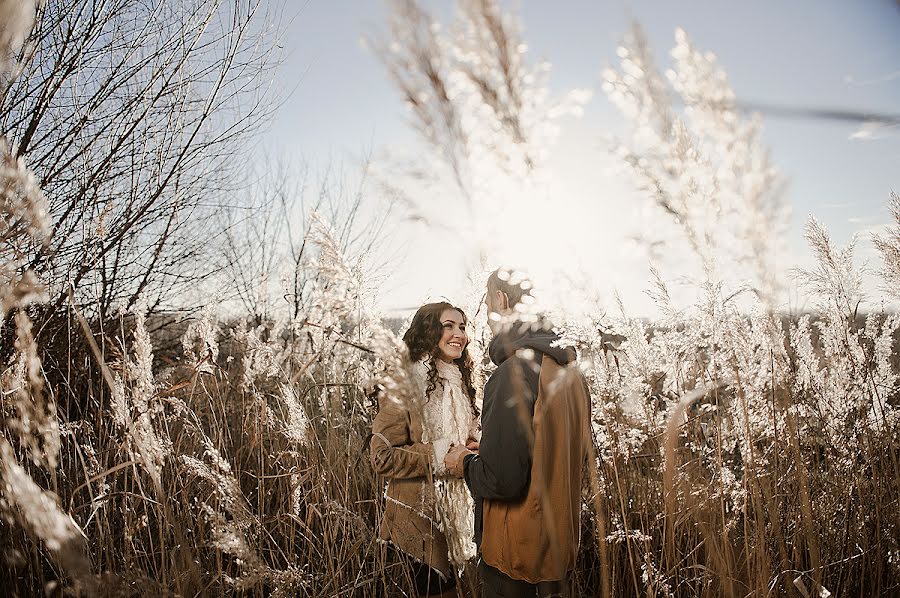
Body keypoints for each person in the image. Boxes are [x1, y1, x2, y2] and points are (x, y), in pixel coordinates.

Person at [444, 269, 591, 598]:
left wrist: (465, 462)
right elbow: (554, 454)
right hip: (559, 556)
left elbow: (503, 481)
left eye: (485, 305)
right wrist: (491, 447)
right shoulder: (572, 375)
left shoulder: (513, 373)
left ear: (501, 300)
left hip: (515, 563)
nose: (485, 318)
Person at [370, 301, 481, 597]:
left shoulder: (462, 380)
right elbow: (382, 457)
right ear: (428, 331)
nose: (459, 334)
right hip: (417, 524)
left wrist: (473, 447)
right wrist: (440, 454)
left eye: (462, 326)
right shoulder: (403, 381)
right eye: (448, 326)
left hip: (461, 517)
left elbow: (465, 439)